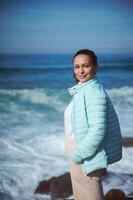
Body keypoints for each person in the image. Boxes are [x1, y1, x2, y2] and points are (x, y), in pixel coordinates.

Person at [64, 49, 123, 200]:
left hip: (85, 155)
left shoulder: (93, 92)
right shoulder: (83, 90)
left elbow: (98, 130)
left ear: (95, 67)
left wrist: (77, 155)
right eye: (77, 67)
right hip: (80, 151)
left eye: (86, 66)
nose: (81, 71)